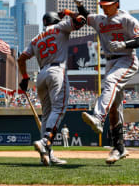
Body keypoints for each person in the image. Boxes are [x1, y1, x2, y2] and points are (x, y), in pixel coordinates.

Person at [74, 0, 139, 164]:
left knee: (110, 82)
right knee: (114, 106)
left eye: (107, 5)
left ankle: (98, 117)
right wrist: (80, 6)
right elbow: (87, 16)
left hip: (127, 59)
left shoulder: (127, 19)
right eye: (102, 6)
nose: (104, 8)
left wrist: (124, 44)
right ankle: (119, 148)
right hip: (111, 62)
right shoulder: (100, 20)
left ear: (116, 4)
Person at [17, 11, 85, 166]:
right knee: (59, 108)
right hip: (56, 70)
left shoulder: (36, 38)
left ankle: (46, 155)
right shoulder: (61, 26)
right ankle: (45, 142)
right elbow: (81, 20)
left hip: (41, 75)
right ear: (56, 19)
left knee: (46, 116)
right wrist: (68, 12)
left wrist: (25, 78)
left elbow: (21, 58)